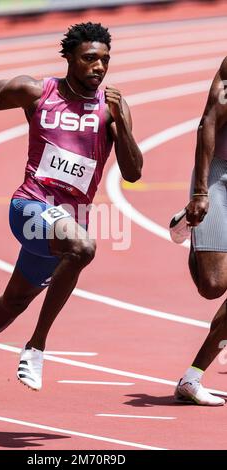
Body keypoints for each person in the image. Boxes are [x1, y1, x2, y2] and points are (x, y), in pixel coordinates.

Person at [0, 22, 143, 395]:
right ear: (68, 58)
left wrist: (122, 126)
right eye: (90, 59)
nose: (99, 67)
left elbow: (133, 174)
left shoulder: (112, 107)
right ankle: (36, 346)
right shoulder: (37, 91)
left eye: (105, 60)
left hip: (66, 222)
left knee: (14, 301)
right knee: (84, 248)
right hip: (30, 206)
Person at [171, 57, 227, 406]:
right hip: (220, 174)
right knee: (213, 286)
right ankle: (191, 226)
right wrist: (201, 192)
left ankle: (192, 379)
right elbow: (208, 121)